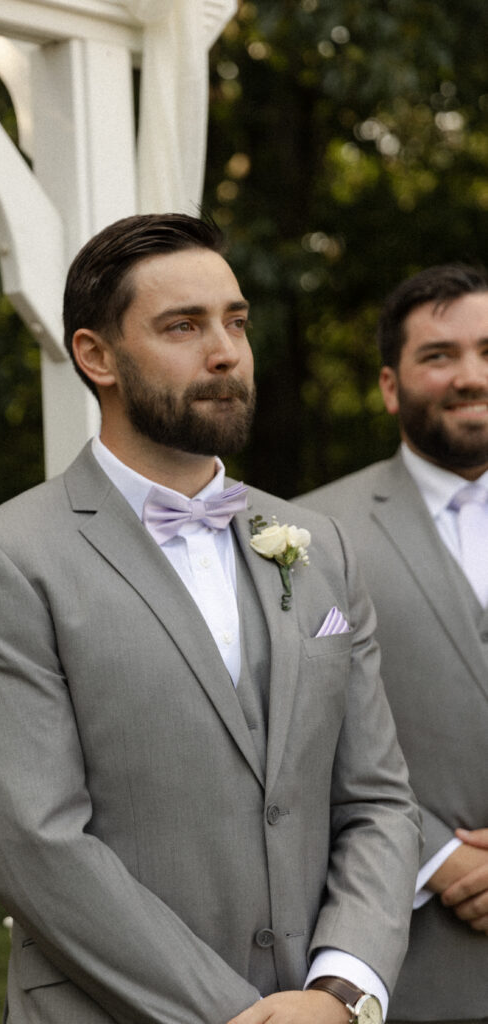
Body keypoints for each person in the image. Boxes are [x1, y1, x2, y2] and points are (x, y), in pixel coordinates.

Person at [0, 213, 421, 1024]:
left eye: (235, 322)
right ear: (96, 356)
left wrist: (342, 991)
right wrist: (238, 1016)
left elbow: (376, 800)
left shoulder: (315, 544)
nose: (224, 351)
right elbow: (36, 846)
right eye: (182, 326)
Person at [300, 263, 488, 1023]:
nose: (469, 376)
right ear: (388, 385)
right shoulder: (311, 533)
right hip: (412, 964)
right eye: (438, 355)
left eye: (487, 350)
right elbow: (299, 736)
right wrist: (437, 858)